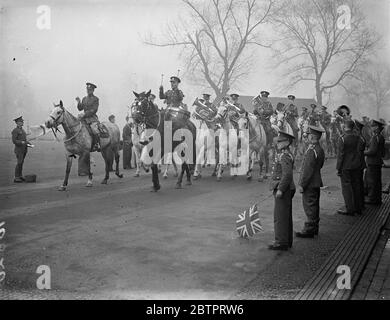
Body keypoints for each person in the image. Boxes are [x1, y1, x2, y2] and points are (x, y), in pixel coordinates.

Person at [296, 125, 325, 238]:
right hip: (316, 181)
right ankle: (314, 228)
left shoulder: (312, 150)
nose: (306, 137)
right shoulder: (319, 149)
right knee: (314, 205)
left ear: (312, 137)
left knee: (309, 206)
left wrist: (302, 184)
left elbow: (307, 170)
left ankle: (309, 229)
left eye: (308, 135)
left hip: (310, 183)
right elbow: (320, 165)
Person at [269, 131, 296, 251]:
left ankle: (281, 242)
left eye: (280, 141)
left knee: (280, 217)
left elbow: (287, 175)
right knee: (285, 216)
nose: (277, 143)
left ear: (287, 143)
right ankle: (286, 240)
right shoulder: (284, 154)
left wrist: (280, 189)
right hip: (286, 188)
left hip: (284, 189)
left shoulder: (285, 155)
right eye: (278, 141)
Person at [336, 120, 362, 216]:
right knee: (356, 186)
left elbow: (341, 155)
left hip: (346, 166)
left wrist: (338, 168)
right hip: (356, 165)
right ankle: (358, 208)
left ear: (345, 126)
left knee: (346, 188)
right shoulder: (357, 137)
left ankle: (350, 209)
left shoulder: (342, 138)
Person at [364, 119, 386, 205]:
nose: (371, 128)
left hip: (372, 162)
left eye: (373, 126)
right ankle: (377, 198)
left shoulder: (375, 137)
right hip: (377, 162)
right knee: (377, 181)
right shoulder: (381, 137)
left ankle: (372, 199)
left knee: (372, 181)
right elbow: (383, 152)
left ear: (377, 127)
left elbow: (372, 151)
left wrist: (363, 152)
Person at [76, 82, 101, 151]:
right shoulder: (84, 98)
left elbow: (94, 110)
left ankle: (97, 144)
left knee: (94, 129)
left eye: (90, 90)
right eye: (87, 90)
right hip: (83, 118)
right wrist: (79, 102)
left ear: (93, 90)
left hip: (92, 118)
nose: (88, 91)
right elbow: (80, 108)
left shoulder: (96, 99)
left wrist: (85, 114)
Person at [12, 116, 31, 183]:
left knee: (21, 163)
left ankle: (20, 176)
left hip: (24, 149)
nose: (23, 122)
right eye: (21, 121)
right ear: (17, 123)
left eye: (22, 121)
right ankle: (16, 177)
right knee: (19, 163)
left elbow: (24, 140)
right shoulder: (15, 130)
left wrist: (28, 144)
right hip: (19, 150)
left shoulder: (22, 130)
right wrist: (21, 142)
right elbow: (14, 141)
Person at [354, 119, 367, 212]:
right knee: (359, 184)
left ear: (358, 129)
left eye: (355, 128)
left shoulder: (359, 139)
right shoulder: (361, 138)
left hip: (358, 164)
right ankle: (360, 204)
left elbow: (358, 153)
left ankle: (358, 206)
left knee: (357, 184)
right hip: (360, 164)